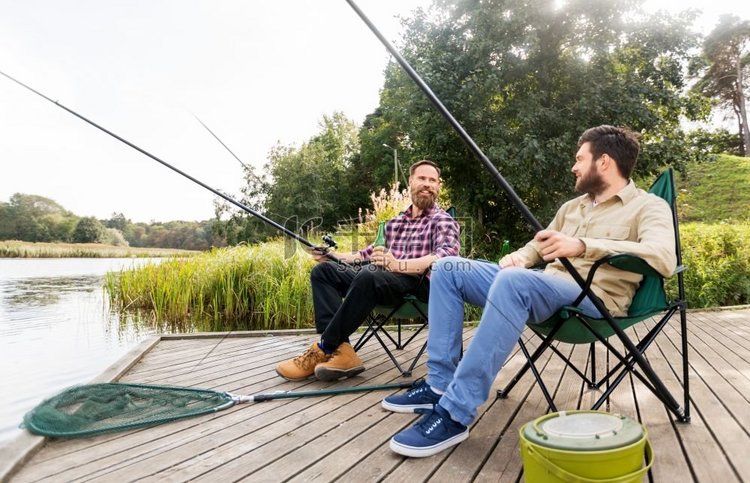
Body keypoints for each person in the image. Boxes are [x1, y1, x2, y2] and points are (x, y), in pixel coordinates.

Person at [381, 125, 677, 458]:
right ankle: (438, 384)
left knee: (514, 282)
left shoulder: (648, 207)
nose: (574, 166)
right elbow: (539, 245)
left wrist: (582, 246)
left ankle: (455, 412)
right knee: (449, 268)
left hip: (593, 299)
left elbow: (664, 257)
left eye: (580, 158)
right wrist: (522, 256)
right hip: (543, 285)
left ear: (604, 162)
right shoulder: (572, 208)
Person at [276, 160, 460, 382]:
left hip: (418, 284)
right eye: (422, 178)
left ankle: (324, 347)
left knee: (369, 274)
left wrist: (398, 265)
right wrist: (332, 256)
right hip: (381, 280)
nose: (427, 184)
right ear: (410, 182)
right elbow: (365, 255)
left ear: (438, 187)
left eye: (433, 180)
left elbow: (447, 255)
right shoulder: (395, 223)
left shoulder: (443, 220)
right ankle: (342, 352)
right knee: (324, 271)